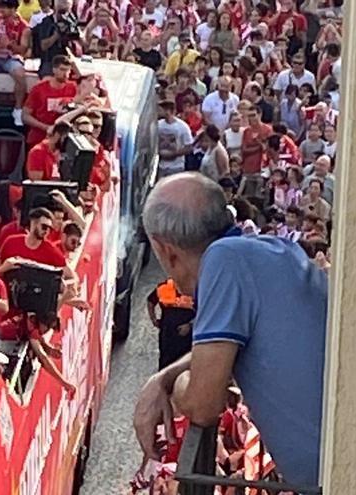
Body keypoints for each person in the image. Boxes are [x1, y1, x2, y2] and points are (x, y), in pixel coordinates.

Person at [134, 173, 327, 487]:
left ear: (165, 250)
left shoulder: (223, 263)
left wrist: (180, 384)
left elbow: (203, 405)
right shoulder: (271, 249)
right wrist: (164, 377)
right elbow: (248, 342)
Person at [22, 55, 77, 148]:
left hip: (62, 141)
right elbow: (25, 116)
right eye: (62, 69)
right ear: (54, 70)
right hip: (38, 139)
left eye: (68, 70)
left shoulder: (73, 88)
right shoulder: (38, 89)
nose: (66, 74)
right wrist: (45, 127)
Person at [146, 278, 195, 370]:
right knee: (166, 364)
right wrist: (154, 319)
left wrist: (190, 325)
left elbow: (206, 312)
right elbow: (150, 301)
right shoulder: (164, 287)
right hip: (168, 334)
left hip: (187, 335)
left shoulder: (195, 289)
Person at [157, 100, 193, 178]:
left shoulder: (183, 127)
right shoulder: (158, 125)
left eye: (165, 109)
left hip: (176, 166)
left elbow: (189, 147)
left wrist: (174, 154)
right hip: (161, 166)